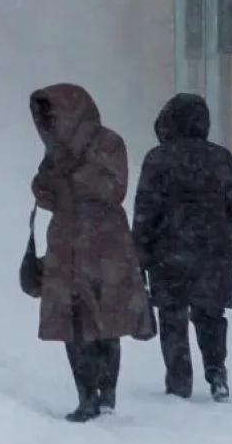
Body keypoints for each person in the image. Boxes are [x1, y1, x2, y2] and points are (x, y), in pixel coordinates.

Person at [30, 83, 150, 422]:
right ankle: (86, 396)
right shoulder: (55, 150)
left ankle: (106, 391)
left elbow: (114, 188)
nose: (49, 122)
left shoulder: (109, 142)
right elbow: (43, 193)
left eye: (53, 113)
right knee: (74, 322)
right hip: (67, 243)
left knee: (107, 320)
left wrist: (71, 180)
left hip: (105, 244)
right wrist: (49, 183)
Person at [132, 93, 232, 403]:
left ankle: (179, 381)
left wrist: (139, 252)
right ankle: (216, 371)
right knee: (211, 313)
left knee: (173, 315)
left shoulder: (158, 159)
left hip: (168, 253)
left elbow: (146, 209)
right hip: (214, 251)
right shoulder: (220, 158)